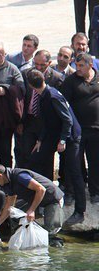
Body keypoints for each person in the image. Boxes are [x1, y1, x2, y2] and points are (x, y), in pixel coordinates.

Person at [26, 69, 85, 227]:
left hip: (70, 137)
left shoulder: (52, 95)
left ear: (31, 85)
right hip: (54, 134)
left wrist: (63, 140)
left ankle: (80, 212)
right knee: (36, 160)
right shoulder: (44, 94)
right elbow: (47, 121)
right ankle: (40, 201)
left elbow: (67, 120)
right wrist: (40, 140)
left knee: (75, 171)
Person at [0, 164, 64, 245]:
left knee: (51, 232)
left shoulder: (21, 176)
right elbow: (9, 204)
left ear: (0, 176)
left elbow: (41, 189)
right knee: (15, 214)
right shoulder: (7, 183)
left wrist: (31, 210)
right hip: (36, 201)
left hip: (53, 199)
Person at [61, 53, 99, 204]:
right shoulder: (71, 81)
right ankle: (71, 193)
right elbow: (64, 105)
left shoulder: (97, 77)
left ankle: (95, 192)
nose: (78, 69)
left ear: (90, 65)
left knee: (95, 162)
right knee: (74, 163)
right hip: (78, 130)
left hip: (96, 129)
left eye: (82, 65)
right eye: (77, 65)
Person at [17, 50, 64, 169]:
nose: (38, 67)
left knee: (46, 157)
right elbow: (21, 98)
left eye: (42, 65)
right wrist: (20, 121)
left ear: (49, 63)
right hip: (29, 120)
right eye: (35, 64)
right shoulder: (26, 74)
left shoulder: (56, 78)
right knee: (27, 153)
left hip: (46, 123)